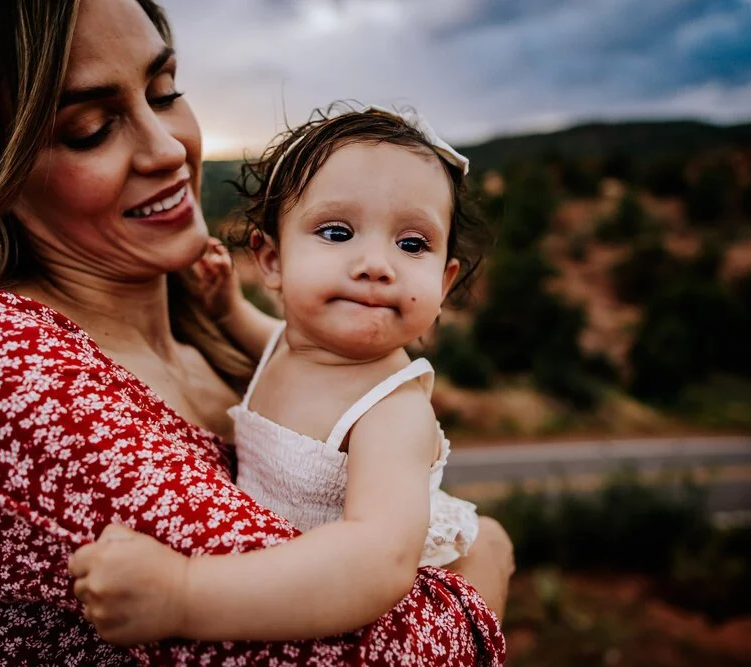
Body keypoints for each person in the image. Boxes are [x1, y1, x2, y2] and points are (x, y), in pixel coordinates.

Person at [0, 0, 513, 665]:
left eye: (165, 93)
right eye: (89, 128)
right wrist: (482, 572)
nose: (169, 149)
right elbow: (388, 653)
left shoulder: (240, 346)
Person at [68, 104, 496, 644]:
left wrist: (185, 593)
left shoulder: (392, 410)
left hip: (332, 599)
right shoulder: (299, 347)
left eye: (412, 244)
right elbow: (265, 337)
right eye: (338, 232)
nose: (376, 264)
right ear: (271, 260)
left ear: (445, 280)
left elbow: (377, 560)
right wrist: (226, 309)